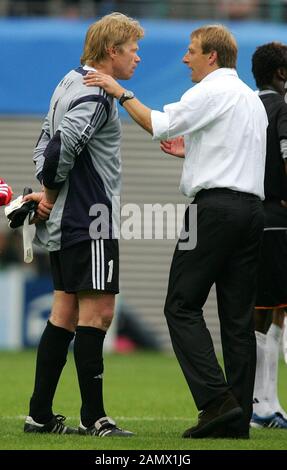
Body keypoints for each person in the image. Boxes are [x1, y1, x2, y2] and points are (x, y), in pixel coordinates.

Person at [84, 24, 268, 439]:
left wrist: (120, 91)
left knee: (180, 305)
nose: (185, 59)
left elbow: (159, 124)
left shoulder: (209, 91)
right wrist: (195, 150)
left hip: (214, 212)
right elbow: (235, 150)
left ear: (212, 57)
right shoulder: (250, 99)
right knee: (237, 320)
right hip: (250, 211)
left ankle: (216, 402)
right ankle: (237, 419)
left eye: (191, 51)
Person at [23, 12, 144, 436]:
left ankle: (39, 414)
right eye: (133, 49)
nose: (138, 58)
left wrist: (45, 197)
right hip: (90, 218)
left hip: (66, 219)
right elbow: (60, 150)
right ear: (112, 51)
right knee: (99, 313)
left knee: (65, 313)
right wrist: (51, 196)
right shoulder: (97, 95)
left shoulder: (68, 81)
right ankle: (95, 418)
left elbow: (43, 144)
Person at [250, 42, 287, 429]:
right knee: (267, 310)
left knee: (268, 310)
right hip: (276, 215)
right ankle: (263, 405)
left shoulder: (245, 106)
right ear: (281, 75)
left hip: (248, 214)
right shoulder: (280, 108)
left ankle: (267, 402)